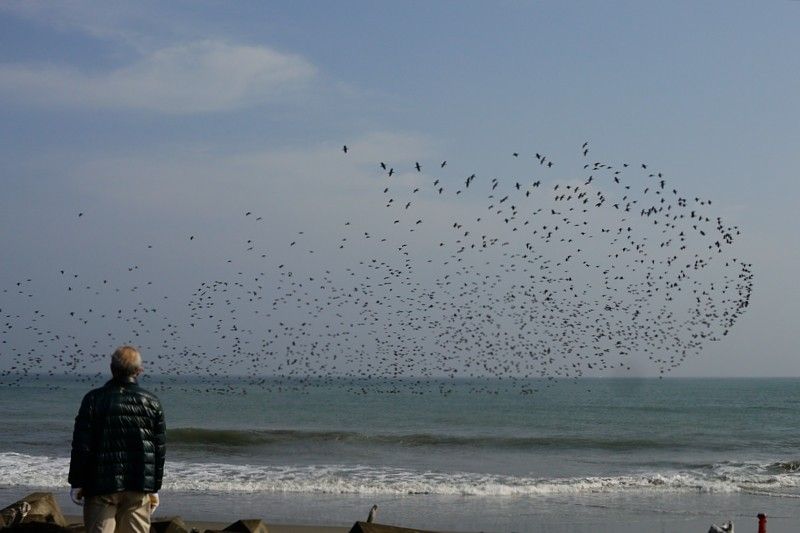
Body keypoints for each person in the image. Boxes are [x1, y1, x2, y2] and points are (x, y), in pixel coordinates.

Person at [68, 346, 166, 533]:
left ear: (112, 369)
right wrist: (154, 487)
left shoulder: (93, 399)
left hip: (100, 485)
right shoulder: (152, 402)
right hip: (138, 484)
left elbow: (81, 445)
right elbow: (158, 450)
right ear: (139, 371)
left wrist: (76, 482)